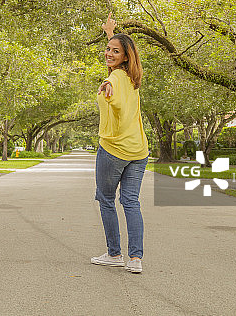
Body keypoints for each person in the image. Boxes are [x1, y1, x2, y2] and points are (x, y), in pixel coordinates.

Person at [91, 14, 149, 274]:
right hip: (139, 151)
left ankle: (114, 254)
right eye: (108, 49)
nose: (109, 53)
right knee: (131, 201)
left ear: (125, 57)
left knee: (105, 199)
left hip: (114, 150)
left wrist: (107, 87)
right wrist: (110, 33)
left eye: (115, 51)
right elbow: (121, 55)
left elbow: (112, 90)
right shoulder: (132, 76)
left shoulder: (114, 79)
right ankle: (135, 259)